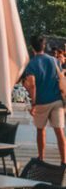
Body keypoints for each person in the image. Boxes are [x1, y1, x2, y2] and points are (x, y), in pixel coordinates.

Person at [21, 35, 66, 165]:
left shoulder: (31, 63)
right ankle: (64, 160)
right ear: (44, 46)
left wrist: (33, 103)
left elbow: (33, 85)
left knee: (41, 130)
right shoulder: (54, 60)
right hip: (57, 100)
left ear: (32, 47)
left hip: (41, 102)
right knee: (59, 131)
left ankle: (41, 157)